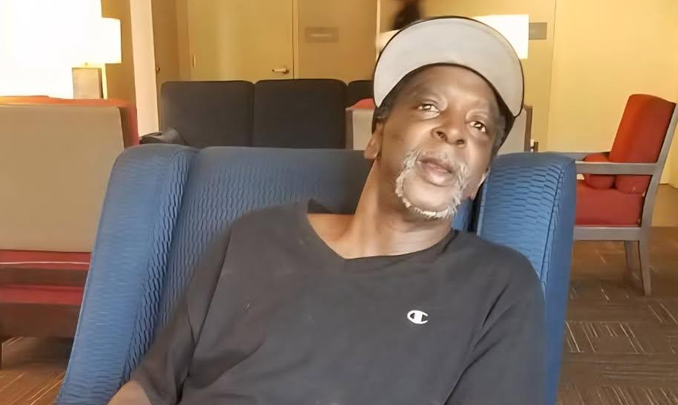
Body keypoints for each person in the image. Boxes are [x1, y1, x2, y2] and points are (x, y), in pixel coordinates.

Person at [110, 17, 544, 405]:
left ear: (480, 177)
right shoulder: (254, 237)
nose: (453, 130)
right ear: (375, 137)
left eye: (479, 125)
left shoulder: (499, 285)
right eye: (429, 106)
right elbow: (147, 388)